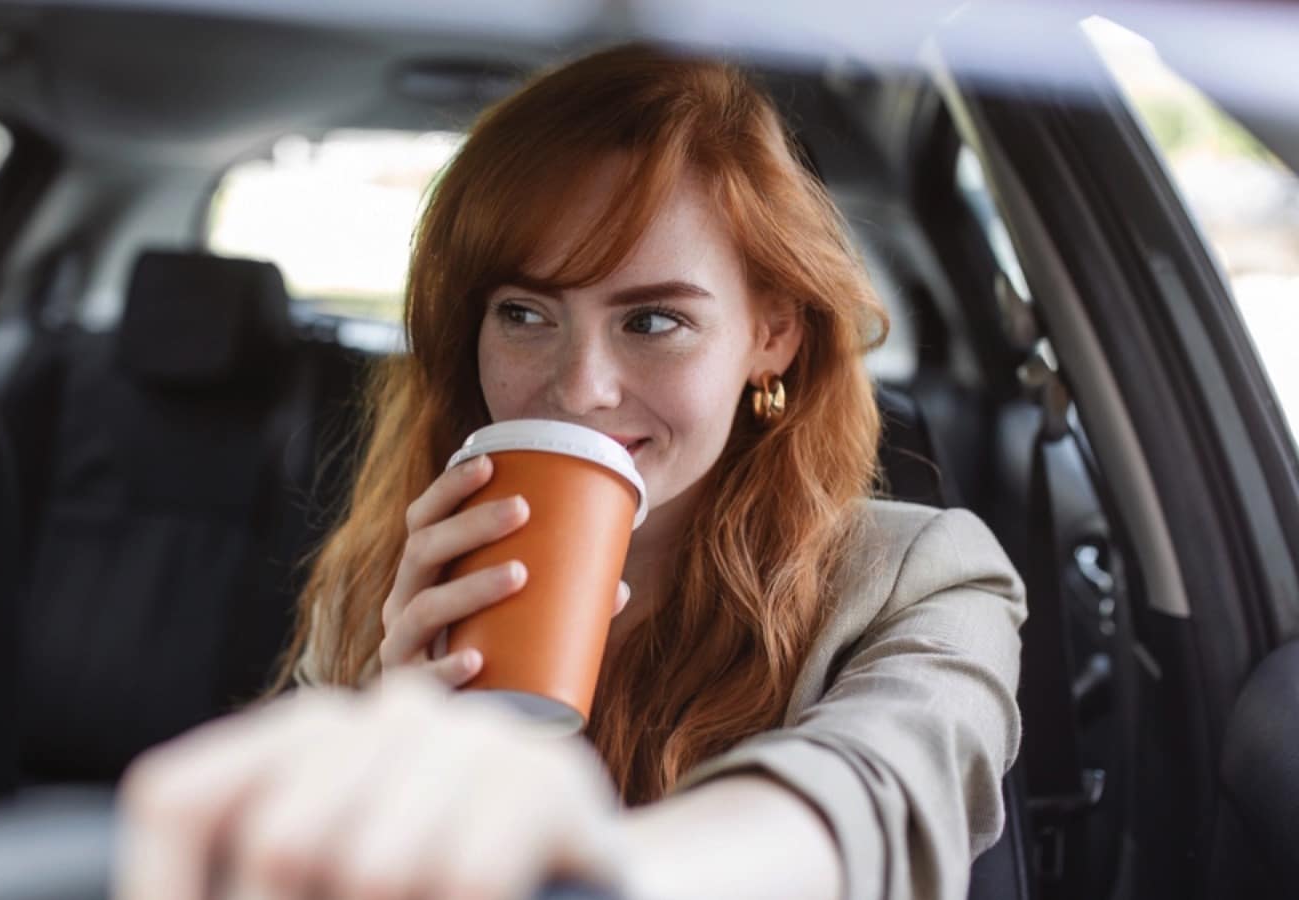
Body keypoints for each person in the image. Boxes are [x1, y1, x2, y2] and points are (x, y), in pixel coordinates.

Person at [115, 43, 1026, 900]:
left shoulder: (924, 580)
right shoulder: (387, 584)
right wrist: (388, 726)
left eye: (652, 321)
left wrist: (594, 866)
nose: (579, 388)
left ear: (771, 335)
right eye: (524, 312)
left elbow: (873, 796)